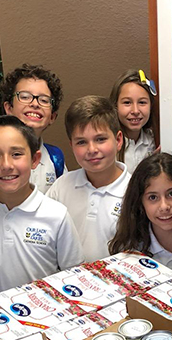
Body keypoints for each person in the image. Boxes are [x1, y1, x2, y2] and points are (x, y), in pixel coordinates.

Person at [0, 115, 83, 298]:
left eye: (16, 154)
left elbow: (73, 274)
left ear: (34, 159)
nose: (6, 165)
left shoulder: (57, 215)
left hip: (46, 318)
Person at [0, 63, 67, 207]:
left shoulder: (55, 158)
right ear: (9, 108)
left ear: (52, 117)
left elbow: (64, 203)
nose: (35, 104)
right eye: (24, 96)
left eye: (44, 100)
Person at [47, 95, 129, 262]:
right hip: (68, 282)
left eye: (100, 139)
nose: (92, 149)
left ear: (118, 140)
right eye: (81, 142)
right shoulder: (61, 187)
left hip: (118, 283)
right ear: (71, 146)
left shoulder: (135, 191)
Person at [110, 69, 157, 173]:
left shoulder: (154, 140)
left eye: (142, 102)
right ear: (115, 105)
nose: (135, 111)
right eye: (127, 102)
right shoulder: (109, 144)